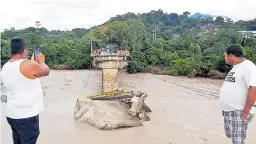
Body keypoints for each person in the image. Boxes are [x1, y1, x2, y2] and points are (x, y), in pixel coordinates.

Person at [1, 37, 50, 144]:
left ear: (11, 51)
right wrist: (41, 61)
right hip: (26, 115)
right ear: (25, 51)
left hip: (12, 114)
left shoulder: (5, 66)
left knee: (18, 140)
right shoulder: (28, 64)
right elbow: (46, 71)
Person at [219, 44, 256, 144]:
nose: (224, 58)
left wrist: (246, 111)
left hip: (239, 111)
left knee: (238, 141)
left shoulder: (248, 67)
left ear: (231, 55)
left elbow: (254, 88)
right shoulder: (236, 67)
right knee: (233, 137)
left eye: (225, 55)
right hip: (229, 110)